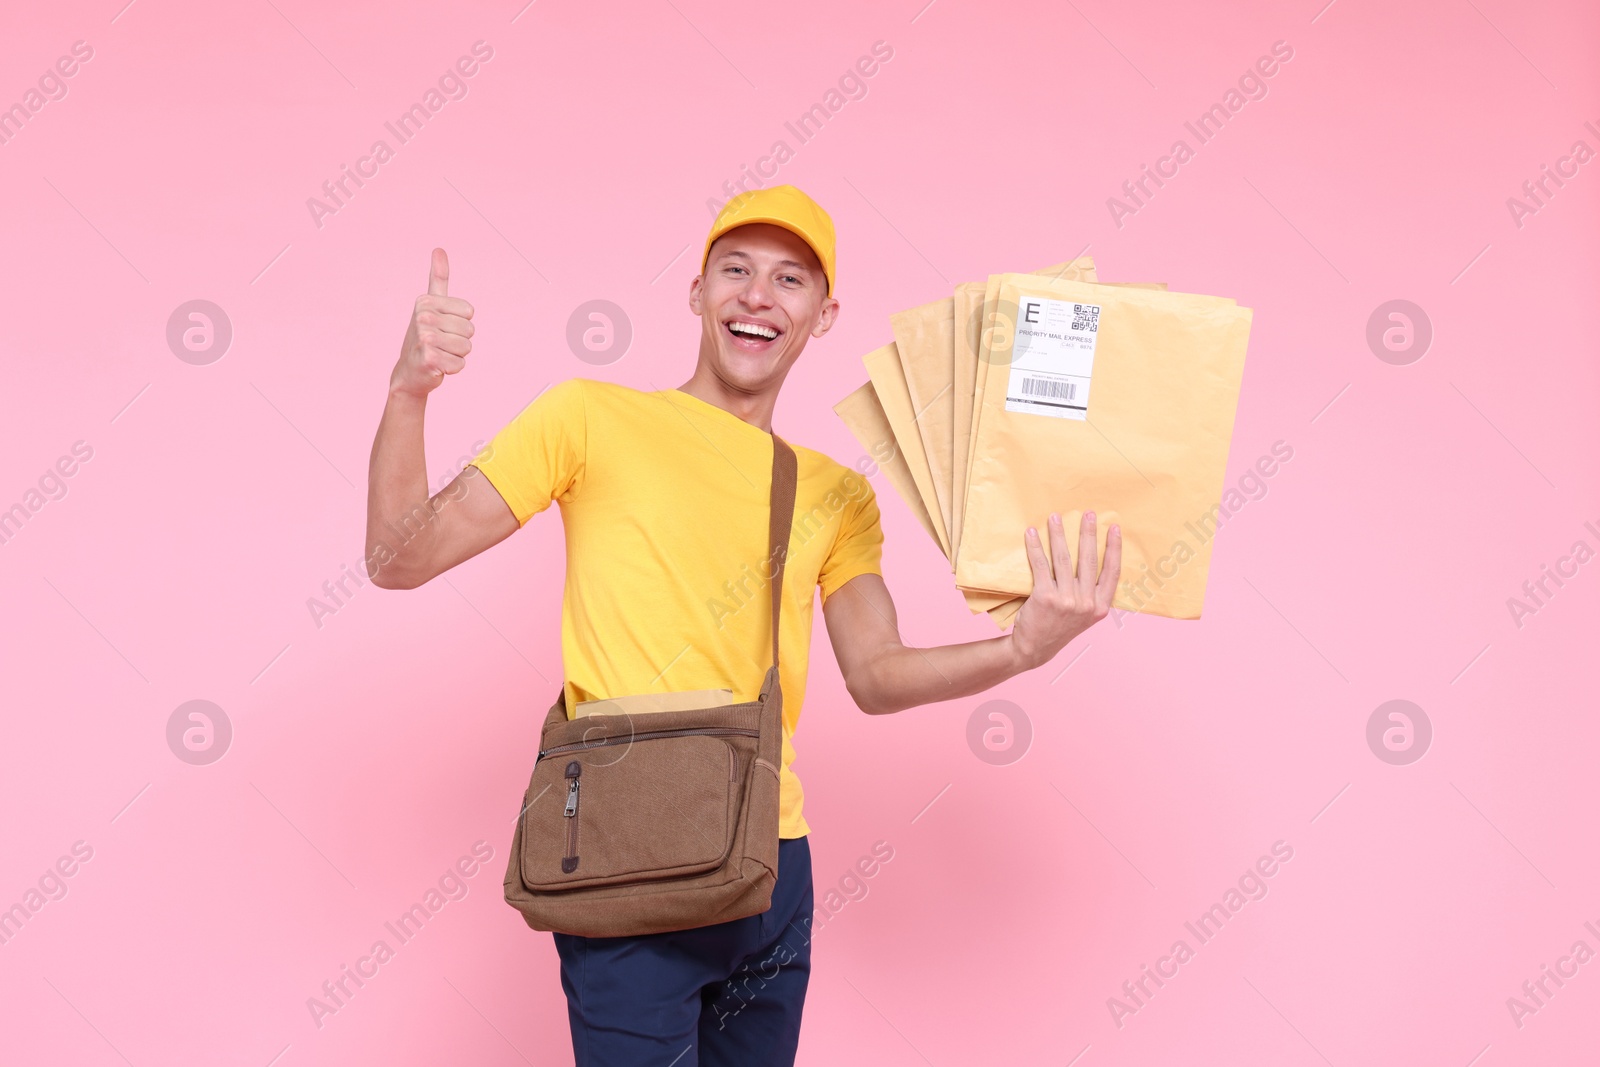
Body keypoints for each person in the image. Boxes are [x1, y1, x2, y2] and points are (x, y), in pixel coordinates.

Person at [362, 185, 1121, 1066]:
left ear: (823, 315)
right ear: (696, 293)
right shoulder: (588, 417)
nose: (759, 295)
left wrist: (1022, 649)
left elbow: (875, 674)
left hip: (772, 865)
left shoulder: (835, 492)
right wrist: (409, 391)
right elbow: (399, 558)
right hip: (627, 857)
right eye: (737, 270)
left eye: (790, 279)